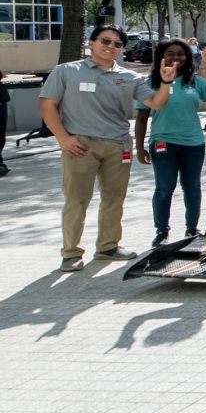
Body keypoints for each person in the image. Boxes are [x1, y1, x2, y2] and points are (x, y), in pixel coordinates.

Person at [39, 24, 141, 270]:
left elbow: (154, 101)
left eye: (117, 44)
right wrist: (63, 138)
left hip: (118, 145)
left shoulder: (128, 76)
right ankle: (71, 253)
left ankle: (108, 247)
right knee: (76, 200)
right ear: (91, 43)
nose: (110, 47)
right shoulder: (66, 71)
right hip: (80, 145)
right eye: (105, 41)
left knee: (114, 198)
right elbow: (47, 104)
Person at [134, 39, 206, 246]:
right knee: (164, 188)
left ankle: (192, 230)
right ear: (161, 56)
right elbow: (142, 118)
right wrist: (139, 147)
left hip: (193, 144)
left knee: (192, 187)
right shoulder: (150, 82)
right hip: (163, 143)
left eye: (181, 53)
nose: (176, 57)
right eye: (171, 53)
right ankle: (162, 232)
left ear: (188, 57)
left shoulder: (194, 81)